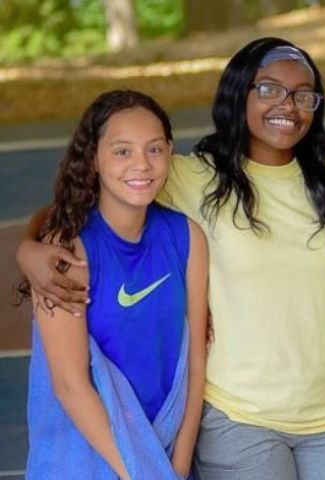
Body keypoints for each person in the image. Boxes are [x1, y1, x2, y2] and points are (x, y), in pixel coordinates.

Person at [17, 38, 325, 480]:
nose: (288, 105)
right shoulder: (196, 176)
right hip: (240, 414)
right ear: (239, 93)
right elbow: (84, 199)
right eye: (269, 89)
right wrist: (31, 248)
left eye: (303, 95)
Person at [18, 90, 209, 479]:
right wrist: (140, 473)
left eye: (154, 149)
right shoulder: (67, 252)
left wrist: (179, 465)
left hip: (166, 446)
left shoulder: (187, 237)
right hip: (96, 453)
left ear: (170, 151)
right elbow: (70, 384)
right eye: (122, 151)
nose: (141, 164)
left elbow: (196, 361)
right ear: (94, 158)